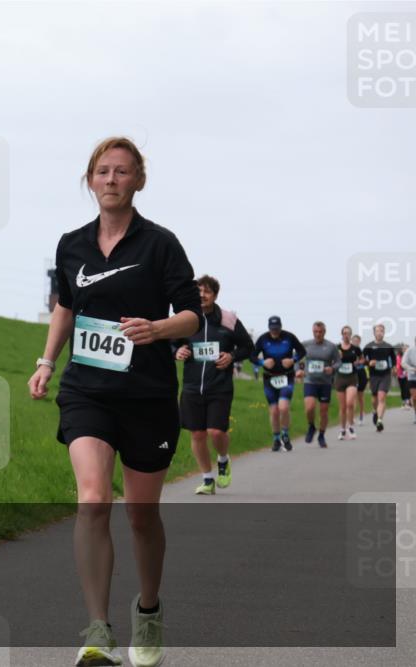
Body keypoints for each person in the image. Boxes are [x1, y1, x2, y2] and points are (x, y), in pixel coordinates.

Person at [28, 137, 199, 667]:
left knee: (142, 515)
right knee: (94, 497)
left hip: (146, 393)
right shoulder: (71, 244)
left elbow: (192, 315)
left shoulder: (161, 244)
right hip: (87, 390)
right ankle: (98, 629)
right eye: (102, 171)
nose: (110, 179)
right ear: (90, 179)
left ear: (138, 181)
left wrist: (159, 328)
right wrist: (46, 362)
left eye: (121, 172)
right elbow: (65, 307)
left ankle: (147, 611)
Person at [174, 274, 254, 494]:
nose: (202, 295)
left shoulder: (228, 320)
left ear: (215, 295)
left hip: (219, 385)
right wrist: (177, 350)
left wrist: (231, 356)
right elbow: (172, 343)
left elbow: (248, 347)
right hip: (191, 386)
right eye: (198, 291)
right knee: (197, 434)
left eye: (207, 291)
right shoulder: (186, 318)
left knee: (216, 432)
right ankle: (208, 479)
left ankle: (223, 459)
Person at [251, 317, 307, 451]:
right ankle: (276, 439)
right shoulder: (263, 339)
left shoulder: (289, 337)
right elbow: (252, 356)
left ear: (280, 327)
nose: (274, 331)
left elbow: (302, 351)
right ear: (269, 327)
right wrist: (262, 362)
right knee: (274, 411)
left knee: (283, 408)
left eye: (276, 329)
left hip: (286, 377)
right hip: (269, 378)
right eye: (272, 329)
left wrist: (293, 360)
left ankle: (285, 435)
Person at [297, 321, 340, 448]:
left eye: (320, 332)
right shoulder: (306, 344)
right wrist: (297, 370)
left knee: (323, 411)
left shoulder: (331, 347)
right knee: (309, 408)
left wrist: (332, 369)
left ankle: (321, 435)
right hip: (310, 381)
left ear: (324, 332)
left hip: (325, 383)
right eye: (315, 331)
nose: (318, 334)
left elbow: (338, 362)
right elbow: (295, 357)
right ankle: (311, 426)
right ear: (312, 331)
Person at [363, 324, 397, 433]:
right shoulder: (368, 346)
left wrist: (394, 367)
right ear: (374, 333)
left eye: (382, 331)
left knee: (381, 397)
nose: (380, 333)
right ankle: (375, 411)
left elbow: (393, 358)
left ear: (384, 332)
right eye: (377, 331)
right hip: (374, 375)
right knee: (374, 399)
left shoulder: (388, 346)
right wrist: (369, 362)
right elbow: (362, 360)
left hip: (385, 375)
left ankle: (379, 420)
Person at [334, 325, 363, 440]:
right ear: (342, 335)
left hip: (352, 377)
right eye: (344, 333)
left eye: (348, 333)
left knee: (350, 403)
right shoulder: (336, 348)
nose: (346, 335)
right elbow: (331, 361)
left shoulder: (355, 348)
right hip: (340, 378)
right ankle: (342, 429)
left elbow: (362, 359)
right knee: (342, 406)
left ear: (351, 335)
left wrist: (358, 362)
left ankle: (350, 427)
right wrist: (336, 359)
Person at [351, 333, 369, 425]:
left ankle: (361, 415)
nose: (355, 342)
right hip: (352, 374)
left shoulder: (361, 351)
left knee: (360, 397)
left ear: (359, 342)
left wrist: (359, 362)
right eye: (353, 341)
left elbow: (365, 360)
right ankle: (352, 417)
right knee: (353, 396)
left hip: (361, 374)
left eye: (357, 341)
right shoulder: (349, 351)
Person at [402, 339, 416, 423]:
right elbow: (403, 363)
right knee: (414, 397)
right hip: (412, 376)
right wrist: (412, 368)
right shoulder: (410, 350)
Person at [397, 344, 411, 409]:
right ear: (402, 350)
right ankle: (403, 402)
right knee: (402, 389)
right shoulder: (399, 356)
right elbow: (399, 364)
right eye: (404, 349)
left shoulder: (410, 356)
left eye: (406, 349)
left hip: (408, 375)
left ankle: (407, 402)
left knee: (407, 388)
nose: (405, 350)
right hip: (400, 375)